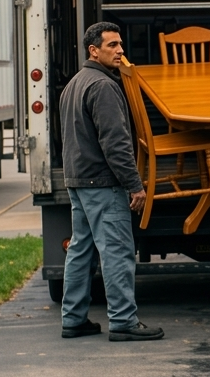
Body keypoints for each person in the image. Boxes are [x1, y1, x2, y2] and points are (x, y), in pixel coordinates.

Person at [59, 22, 164, 342]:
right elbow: (116, 143)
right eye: (112, 45)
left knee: (81, 251)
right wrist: (135, 184)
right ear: (94, 50)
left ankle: (73, 319)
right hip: (103, 183)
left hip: (78, 180)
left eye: (121, 44)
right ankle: (123, 322)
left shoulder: (75, 83)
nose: (120, 51)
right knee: (117, 252)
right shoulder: (103, 86)